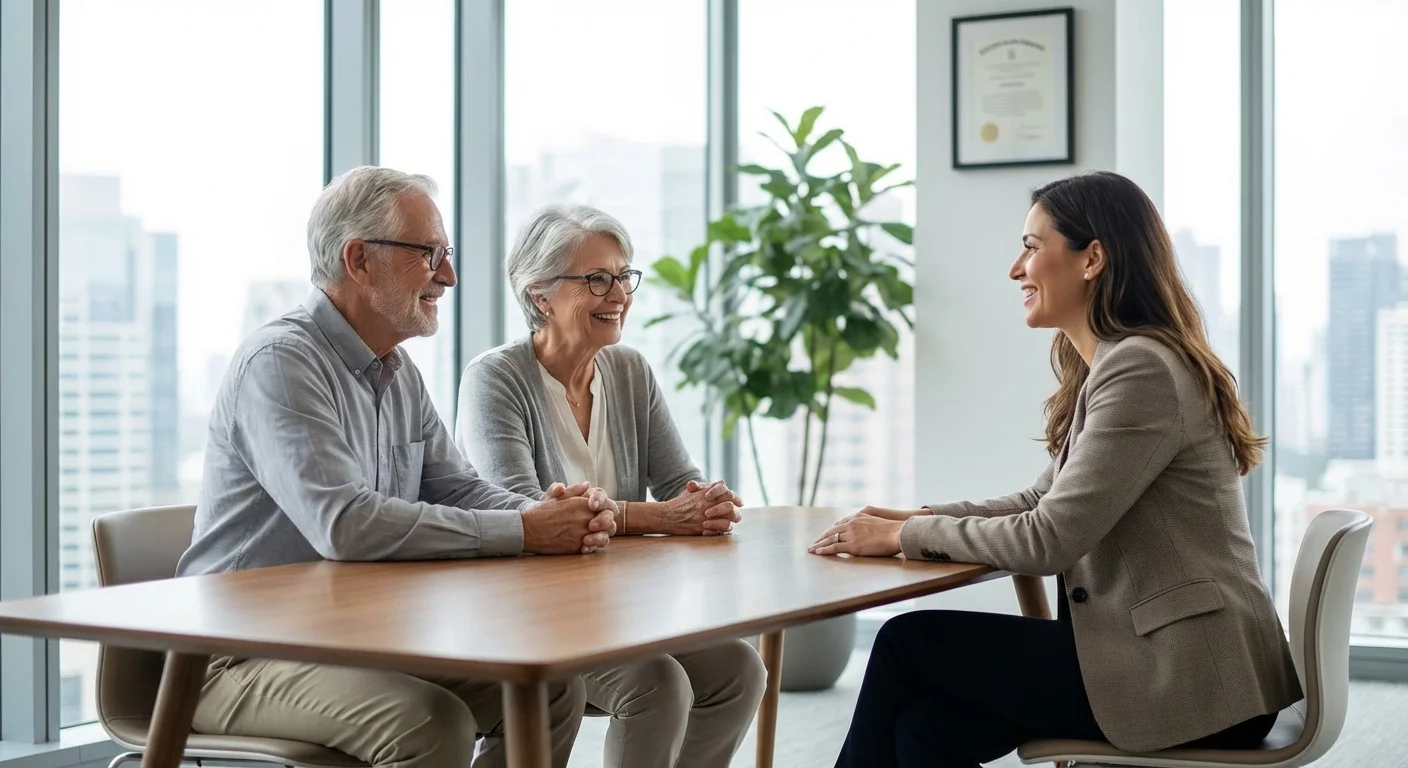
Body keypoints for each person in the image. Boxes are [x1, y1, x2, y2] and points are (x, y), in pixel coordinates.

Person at [808, 171, 1302, 767]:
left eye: (1032, 247)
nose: (1016, 270)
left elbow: (1048, 539)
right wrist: (919, 517)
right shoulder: (1120, 362)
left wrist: (904, 536)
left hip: (1194, 680)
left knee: (905, 643)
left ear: (1092, 258)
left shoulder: (1140, 369)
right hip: (1165, 657)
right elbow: (1038, 501)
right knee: (927, 729)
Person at [177, 167, 618, 768]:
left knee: (550, 691)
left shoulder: (397, 371)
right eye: (429, 254)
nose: (449, 276)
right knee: (429, 724)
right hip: (234, 657)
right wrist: (527, 531)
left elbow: (458, 487)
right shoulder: (281, 362)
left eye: (448, 254)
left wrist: (543, 513)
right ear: (358, 259)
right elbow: (346, 525)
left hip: (350, 639)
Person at [455, 203, 766, 768]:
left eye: (623, 276)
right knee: (657, 684)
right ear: (540, 294)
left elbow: (679, 483)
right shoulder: (493, 379)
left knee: (740, 669)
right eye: (597, 278)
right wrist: (661, 517)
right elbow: (524, 516)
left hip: (621, 610)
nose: (618, 292)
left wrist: (706, 500)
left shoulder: (629, 370)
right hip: (528, 614)